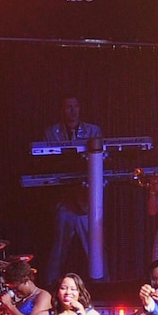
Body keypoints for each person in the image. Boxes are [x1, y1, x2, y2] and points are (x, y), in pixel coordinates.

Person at [43, 95, 102, 279]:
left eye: (76, 106)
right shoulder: (51, 132)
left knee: (96, 249)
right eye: (68, 106)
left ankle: (103, 287)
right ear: (62, 110)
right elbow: (49, 163)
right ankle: (50, 288)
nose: (73, 110)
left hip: (87, 203)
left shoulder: (93, 130)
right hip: (65, 201)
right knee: (58, 250)